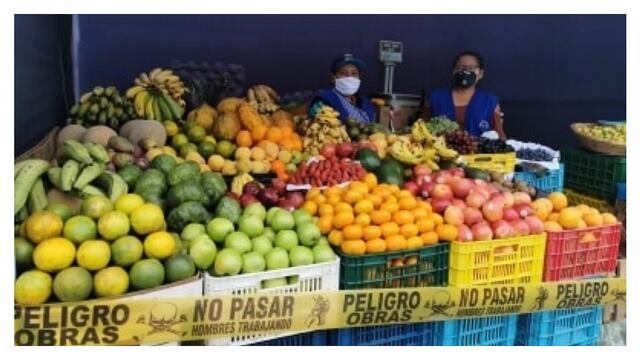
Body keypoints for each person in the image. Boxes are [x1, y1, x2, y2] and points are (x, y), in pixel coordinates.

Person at [428, 50, 506, 138]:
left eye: (471, 68)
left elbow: (500, 136)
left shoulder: (490, 101)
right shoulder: (435, 98)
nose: (465, 72)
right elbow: (422, 130)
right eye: (460, 68)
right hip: (440, 149)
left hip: (480, 151)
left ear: (480, 73)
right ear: (453, 71)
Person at [308, 53, 375, 124]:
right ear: (333, 79)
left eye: (354, 73)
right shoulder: (324, 99)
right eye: (343, 73)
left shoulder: (364, 101)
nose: (349, 77)